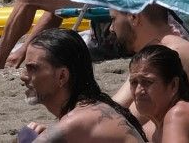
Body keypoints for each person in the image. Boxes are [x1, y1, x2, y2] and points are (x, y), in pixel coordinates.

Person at [17, 27, 145, 143]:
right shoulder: (93, 107)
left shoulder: (74, 122)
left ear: (62, 76)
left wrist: (25, 136)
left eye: (33, 68)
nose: (23, 76)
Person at [109, 6, 189, 124]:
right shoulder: (168, 48)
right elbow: (116, 105)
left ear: (134, 17)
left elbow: (123, 122)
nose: (111, 28)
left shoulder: (169, 55)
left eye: (113, 19)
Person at [124, 44, 189, 143]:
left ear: (173, 85)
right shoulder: (151, 130)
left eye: (148, 82)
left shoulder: (179, 114)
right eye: (134, 82)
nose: (138, 91)